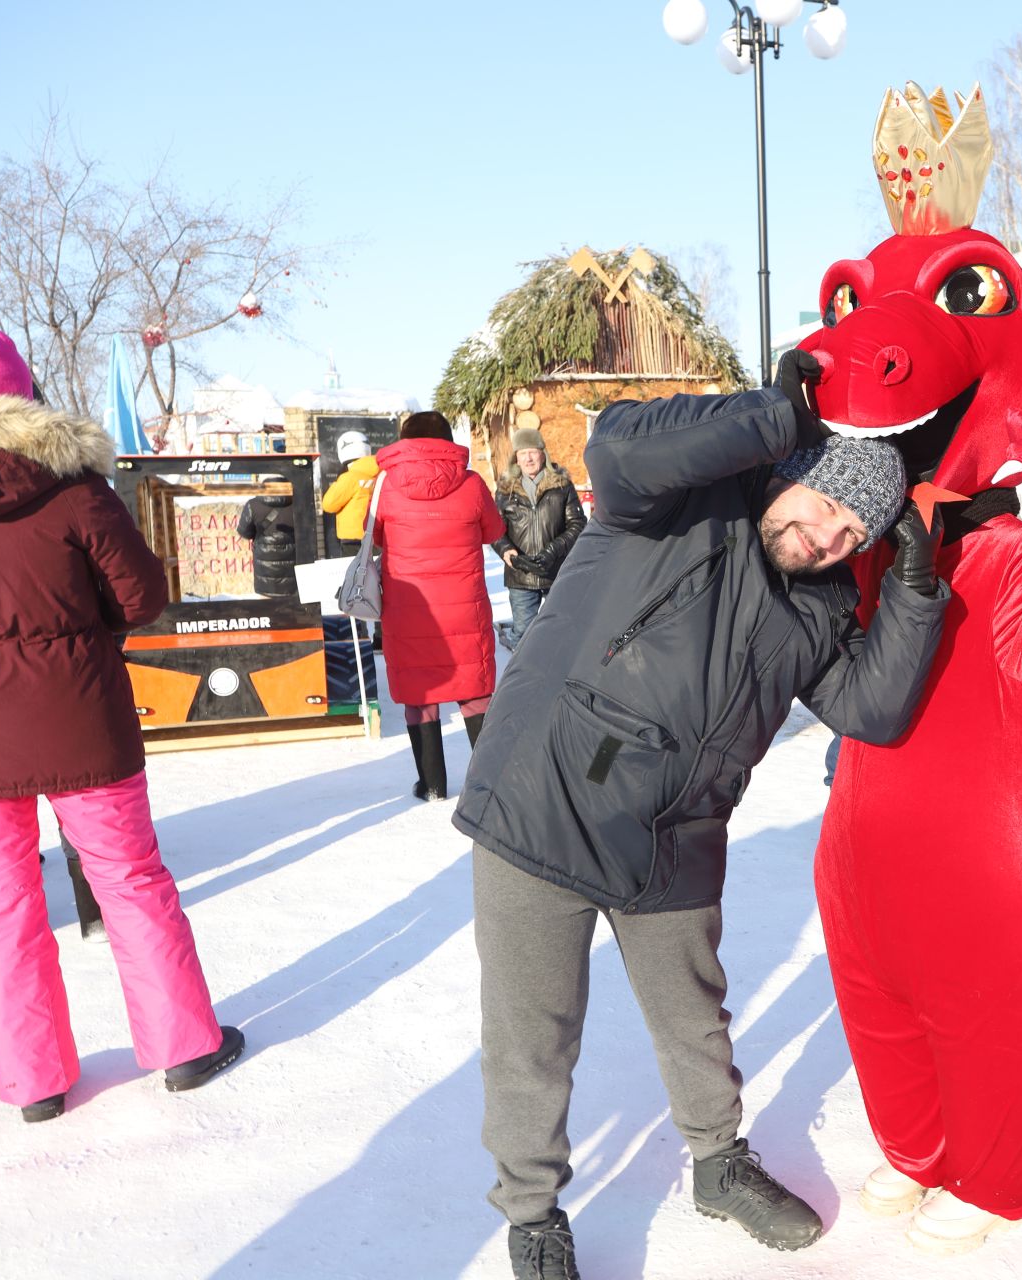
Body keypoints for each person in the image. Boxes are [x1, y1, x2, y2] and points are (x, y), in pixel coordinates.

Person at [452, 355, 949, 1278]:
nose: (830, 536)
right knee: (533, 1031)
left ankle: (719, 1164)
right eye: (823, 505)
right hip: (546, 801)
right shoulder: (672, 509)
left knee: (695, 1019)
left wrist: (915, 593)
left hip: (675, 838)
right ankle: (531, 1215)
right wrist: (773, 417)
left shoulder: (818, 603)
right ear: (793, 473)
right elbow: (619, 446)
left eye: (853, 529)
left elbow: (870, 710)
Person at [0, 323, 241, 1120]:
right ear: (22, 393)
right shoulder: (71, 485)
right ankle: (185, 1046)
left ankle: (35, 1083)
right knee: (128, 879)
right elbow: (140, 595)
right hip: (78, 717)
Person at [373, 410, 505, 801]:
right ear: (447, 439)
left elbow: (377, 536)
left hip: (410, 608)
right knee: (475, 693)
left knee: (420, 695)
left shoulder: (386, 485)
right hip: (463, 605)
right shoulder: (472, 483)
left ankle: (431, 784)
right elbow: (494, 531)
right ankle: (486, 788)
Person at [491, 426, 586, 650]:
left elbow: (578, 523)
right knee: (524, 634)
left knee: (561, 629)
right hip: (521, 575)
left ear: (543, 453)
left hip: (556, 572)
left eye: (532, 451)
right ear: (516, 458)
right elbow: (495, 528)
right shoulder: (505, 489)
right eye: (522, 453)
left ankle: (557, 676)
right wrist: (507, 552)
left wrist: (553, 551)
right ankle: (524, 681)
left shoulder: (561, 485)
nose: (528, 458)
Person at [320, 430, 379, 552]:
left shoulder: (350, 478)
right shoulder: (381, 474)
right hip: (378, 536)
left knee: (356, 570)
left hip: (354, 539)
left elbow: (328, 504)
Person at [235, 492, 297, 598]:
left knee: (267, 610)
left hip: (265, 577)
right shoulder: (297, 503)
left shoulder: (253, 505)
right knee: (294, 612)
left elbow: (245, 533)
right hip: (293, 578)